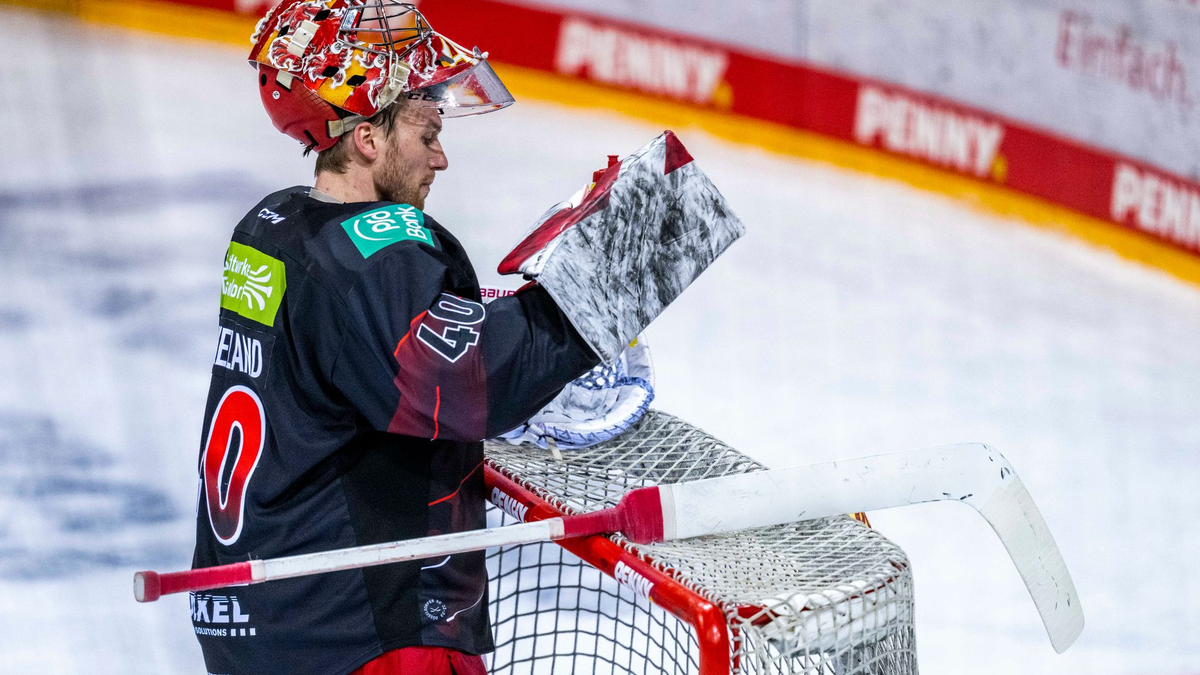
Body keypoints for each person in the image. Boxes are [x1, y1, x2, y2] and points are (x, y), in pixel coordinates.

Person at [190, 3, 598, 674]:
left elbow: (354, 362)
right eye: (424, 129)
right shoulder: (383, 256)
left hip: (254, 625)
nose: (440, 156)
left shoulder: (268, 227)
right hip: (365, 634)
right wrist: (594, 296)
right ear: (367, 141)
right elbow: (467, 384)